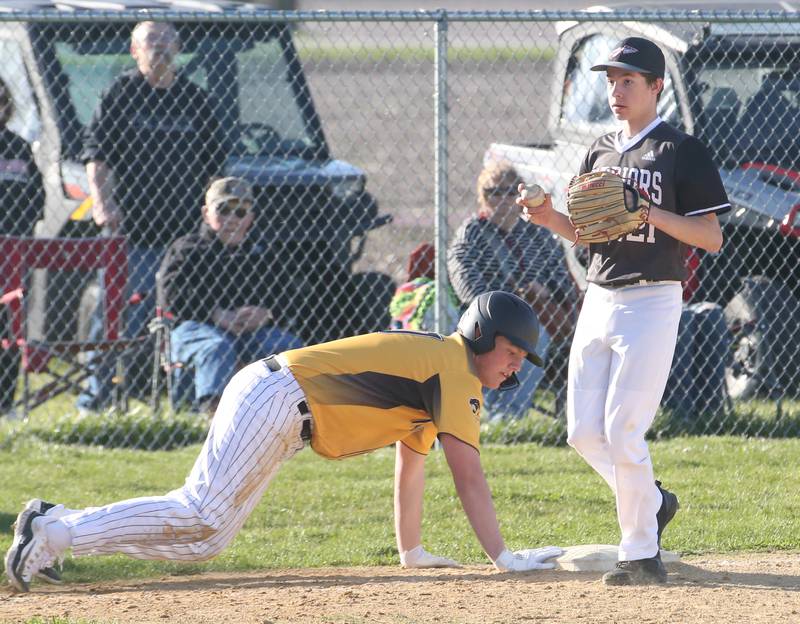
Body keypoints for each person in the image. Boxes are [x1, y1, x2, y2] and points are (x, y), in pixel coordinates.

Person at [5, 291, 564, 593]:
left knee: (206, 537)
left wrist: (411, 553)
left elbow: (412, 467)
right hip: (278, 397)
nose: (516, 367)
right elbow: (469, 475)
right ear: (483, 339)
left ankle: (58, 523)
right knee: (200, 515)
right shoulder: (454, 370)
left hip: (277, 400)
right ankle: (54, 534)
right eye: (513, 352)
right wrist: (505, 558)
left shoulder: (440, 373)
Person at [518, 37, 730, 585]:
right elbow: (588, 234)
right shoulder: (599, 151)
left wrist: (649, 211)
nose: (616, 89)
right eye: (611, 80)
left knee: (623, 429)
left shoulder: (682, 151)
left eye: (628, 80)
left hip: (652, 299)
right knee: (584, 432)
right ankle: (653, 502)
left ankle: (640, 554)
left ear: (656, 87)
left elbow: (710, 237)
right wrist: (547, 217)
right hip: (599, 294)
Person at [77, 20, 226, 411]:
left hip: (183, 239)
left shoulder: (194, 99)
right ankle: (94, 398)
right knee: (115, 317)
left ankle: (181, 402)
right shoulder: (121, 94)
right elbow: (96, 155)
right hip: (132, 235)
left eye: (165, 41)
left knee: (182, 319)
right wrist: (102, 203)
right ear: (134, 51)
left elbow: (215, 167)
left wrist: (210, 222)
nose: (159, 48)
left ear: (178, 47)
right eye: (150, 42)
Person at [157, 177, 303, 415]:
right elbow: (171, 296)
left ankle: (284, 416)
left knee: (288, 347)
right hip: (196, 328)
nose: (232, 220)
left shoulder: (263, 251)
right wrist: (216, 314)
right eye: (223, 210)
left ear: (251, 217)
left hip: (252, 332)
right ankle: (210, 416)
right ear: (206, 213)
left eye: (240, 211)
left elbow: (290, 296)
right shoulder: (187, 248)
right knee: (217, 347)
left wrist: (266, 314)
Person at [448, 161, 575, 421]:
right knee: (528, 338)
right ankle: (504, 417)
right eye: (495, 192)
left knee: (536, 332)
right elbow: (465, 281)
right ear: (483, 198)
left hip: (540, 312)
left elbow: (561, 275)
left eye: (509, 192)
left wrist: (544, 291)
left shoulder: (537, 232)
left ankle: (502, 415)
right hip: (487, 320)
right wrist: (505, 304)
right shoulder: (471, 233)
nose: (503, 199)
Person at [0, 77, 45, 418]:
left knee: (11, 330)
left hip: (13, 255)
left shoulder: (17, 147)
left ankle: (5, 404)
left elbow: (37, 199)